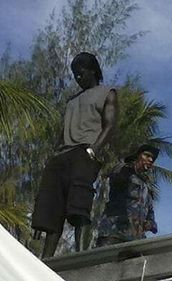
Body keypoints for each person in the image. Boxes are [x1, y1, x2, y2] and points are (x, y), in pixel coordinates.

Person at [31, 52, 118, 258]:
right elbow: (62, 133)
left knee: (79, 205)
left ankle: (80, 257)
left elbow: (110, 125)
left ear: (93, 71)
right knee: (51, 210)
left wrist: (93, 150)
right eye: (75, 76)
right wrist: (54, 154)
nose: (78, 79)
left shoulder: (107, 93)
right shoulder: (71, 101)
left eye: (81, 74)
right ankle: (46, 260)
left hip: (84, 152)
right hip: (62, 155)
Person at [95, 145, 159, 247]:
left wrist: (150, 224)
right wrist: (133, 168)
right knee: (105, 261)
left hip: (136, 238)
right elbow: (117, 180)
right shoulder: (123, 169)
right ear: (138, 156)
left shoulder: (146, 186)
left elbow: (150, 210)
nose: (150, 160)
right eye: (147, 155)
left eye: (152, 159)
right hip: (114, 232)